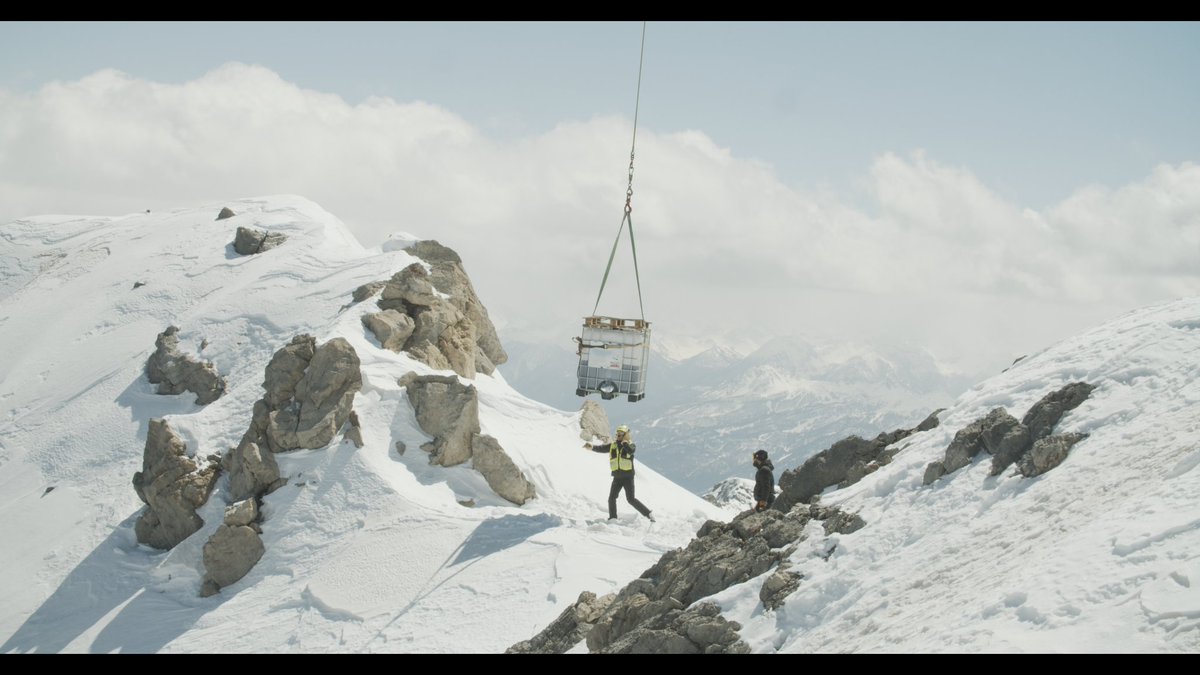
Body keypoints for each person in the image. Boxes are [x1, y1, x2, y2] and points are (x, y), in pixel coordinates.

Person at [584, 424, 655, 522]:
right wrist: (591, 447)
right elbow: (602, 449)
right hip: (617, 477)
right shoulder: (613, 445)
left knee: (631, 499)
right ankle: (612, 518)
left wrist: (625, 443)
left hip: (628, 477)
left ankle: (648, 514)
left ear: (626, 435)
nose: (618, 435)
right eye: (617, 433)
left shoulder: (631, 444)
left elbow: (630, 451)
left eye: (621, 434)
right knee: (611, 498)